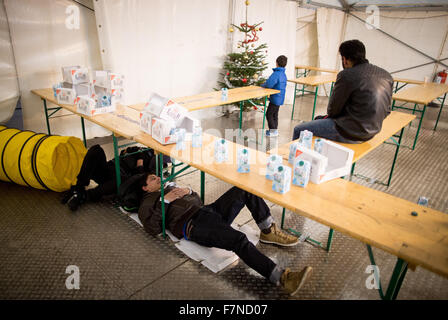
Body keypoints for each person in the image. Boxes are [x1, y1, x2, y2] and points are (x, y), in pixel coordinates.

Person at [137, 173, 313, 296]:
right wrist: (165, 201)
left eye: (157, 175)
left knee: (245, 189)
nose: (159, 178)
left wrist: (189, 192)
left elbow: (198, 201)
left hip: (208, 211)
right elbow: (152, 228)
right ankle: (282, 278)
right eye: (153, 179)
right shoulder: (148, 203)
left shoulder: (169, 188)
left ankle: (268, 230)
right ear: (145, 188)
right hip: (195, 224)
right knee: (238, 239)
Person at [292, 39, 393, 143]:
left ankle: (296, 157)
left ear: (344, 59)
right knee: (318, 120)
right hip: (373, 131)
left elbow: (332, 110)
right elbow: (387, 111)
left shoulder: (347, 75)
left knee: (299, 129)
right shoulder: (386, 75)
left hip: (350, 132)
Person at [61, 144, 168, 211]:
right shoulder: (145, 149)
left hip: (118, 178)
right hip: (109, 167)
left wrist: (139, 166)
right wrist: (138, 155)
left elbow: (142, 180)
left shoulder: (155, 165)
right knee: (96, 149)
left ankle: (84, 196)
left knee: (119, 179)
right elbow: (125, 151)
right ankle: (79, 187)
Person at [261, 55, 288, 137]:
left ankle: (273, 131)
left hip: (275, 98)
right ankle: (274, 131)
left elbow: (269, 84)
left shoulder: (276, 73)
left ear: (277, 63)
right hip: (280, 98)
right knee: (275, 114)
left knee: (269, 114)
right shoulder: (283, 74)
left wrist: (262, 85)